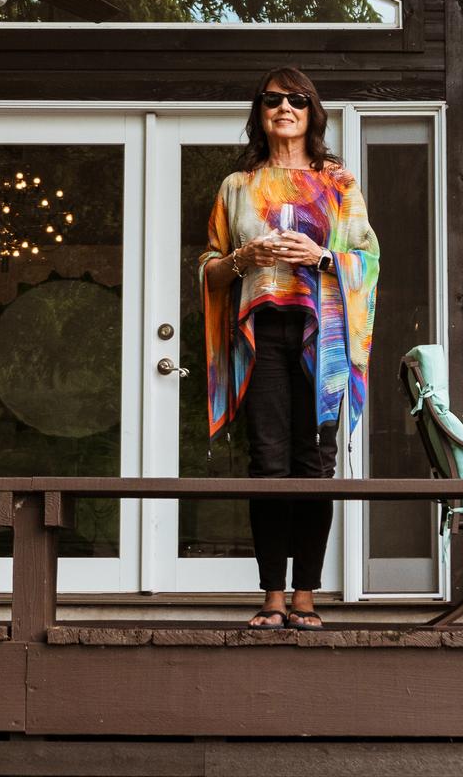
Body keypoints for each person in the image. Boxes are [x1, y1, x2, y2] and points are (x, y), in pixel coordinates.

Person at [198, 67, 379, 630]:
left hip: (321, 337)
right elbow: (208, 272)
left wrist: (320, 256)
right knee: (267, 464)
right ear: (259, 112)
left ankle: (306, 595)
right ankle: (272, 596)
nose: (285, 108)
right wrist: (241, 261)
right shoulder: (236, 186)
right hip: (261, 336)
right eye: (273, 100)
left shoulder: (339, 184)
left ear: (312, 111)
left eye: (297, 99)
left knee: (314, 465)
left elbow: (368, 260)